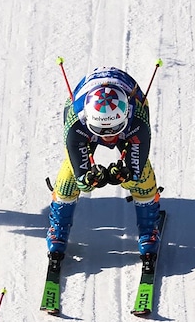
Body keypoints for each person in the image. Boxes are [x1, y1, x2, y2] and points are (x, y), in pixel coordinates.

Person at [46, 66, 161, 270]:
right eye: (100, 131)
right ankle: (58, 229)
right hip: (87, 124)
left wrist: (126, 176)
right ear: (90, 121)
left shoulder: (139, 119)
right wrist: (89, 178)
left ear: (125, 118)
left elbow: (135, 171)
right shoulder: (75, 123)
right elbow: (84, 182)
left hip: (132, 107)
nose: (108, 137)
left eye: (115, 130)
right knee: (70, 179)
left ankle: (148, 230)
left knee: (140, 177)